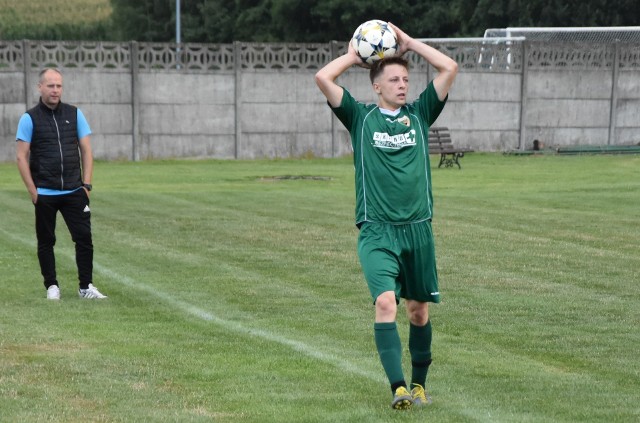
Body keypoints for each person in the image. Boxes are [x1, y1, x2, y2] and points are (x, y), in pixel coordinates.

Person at [315, 23, 457, 409]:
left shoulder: (420, 114)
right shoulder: (360, 118)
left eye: (405, 79)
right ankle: (397, 387)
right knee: (385, 304)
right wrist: (353, 56)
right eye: (393, 79)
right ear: (376, 85)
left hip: (418, 231)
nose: (402, 85)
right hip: (377, 231)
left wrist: (411, 44)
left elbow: (449, 68)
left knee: (418, 311)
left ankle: (419, 385)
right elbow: (322, 77)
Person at [16, 68, 107, 300]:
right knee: (46, 241)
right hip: (45, 192)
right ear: (40, 87)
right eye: (50, 85)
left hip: (75, 191)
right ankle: (52, 286)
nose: (55, 90)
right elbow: (20, 156)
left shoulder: (75, 114)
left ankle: (86, 286)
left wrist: (86, 185)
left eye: (58, 86)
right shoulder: (29, 118)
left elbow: (86, 150)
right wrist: (33, 191)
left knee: (84, 238)